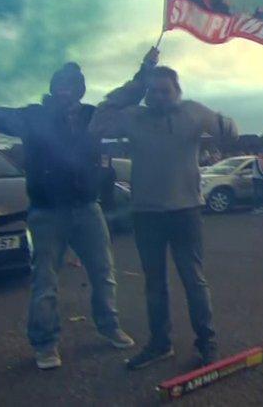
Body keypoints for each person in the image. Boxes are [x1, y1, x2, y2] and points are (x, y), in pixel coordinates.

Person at [0, 37, 133, 370]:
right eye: (60, 84)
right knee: (45, 281)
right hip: (47, 212)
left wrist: (146, 71)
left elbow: (127, 99)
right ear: (53, 88)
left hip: (88, 208)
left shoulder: (93, 116)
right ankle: (45, 344)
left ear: (80, 90)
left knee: (104, 274)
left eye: (72, 86)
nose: (65, 90)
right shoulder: (35, 117)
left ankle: (110, 326)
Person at [90, 47, 240, 368]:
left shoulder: (192, 113)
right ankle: (160, 343)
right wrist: (136, 82)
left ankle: (207, 342)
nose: (159, 97)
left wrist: (226, 125)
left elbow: (229, 133)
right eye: (153, 91)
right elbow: (97, 124)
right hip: (146, 213)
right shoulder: (133, 117)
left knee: (193, 279)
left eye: (165, 91)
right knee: (154, 284)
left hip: (185, 211)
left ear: (177, 91)